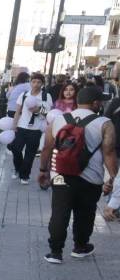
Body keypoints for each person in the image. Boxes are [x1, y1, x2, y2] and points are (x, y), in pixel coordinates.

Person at [41, 86, 117, 263]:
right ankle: (80, 246)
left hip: (60, 175)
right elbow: (109, 153)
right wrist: (113, 179)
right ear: (96, 103)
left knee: (59, 212)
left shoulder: (59, 119)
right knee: (85, 213)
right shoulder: (105, 123)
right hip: (91, 178)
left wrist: (43, 171)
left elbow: (47, 147)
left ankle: (55, 252)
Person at [12, 73, 52, 184]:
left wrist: (38, 110)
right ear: (30, 82)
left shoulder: (46, 96)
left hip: (36, 128)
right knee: (16, 149)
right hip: (22, 126)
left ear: (42, 84)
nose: (36, 84)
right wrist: (14, 125)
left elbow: (48, 113)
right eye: (34, 81)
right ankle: (18, 168)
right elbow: (17, 111)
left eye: (39, 82)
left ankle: (24, 176)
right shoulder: (24, 95)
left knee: (30, 153)